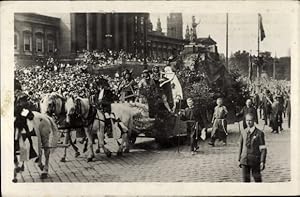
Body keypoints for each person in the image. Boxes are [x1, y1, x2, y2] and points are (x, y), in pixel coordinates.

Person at [238, 113, 267, 182]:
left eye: (250, 120)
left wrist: (262, 161)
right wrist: (239, 158)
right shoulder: (243, 132)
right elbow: (241, 146)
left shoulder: (259, 133)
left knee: (257, 180)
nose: (248, 122)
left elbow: (263, 149)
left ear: (254, 121)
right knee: (245, 181)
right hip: (244, 160)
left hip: (255, 161)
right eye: (247, 120)